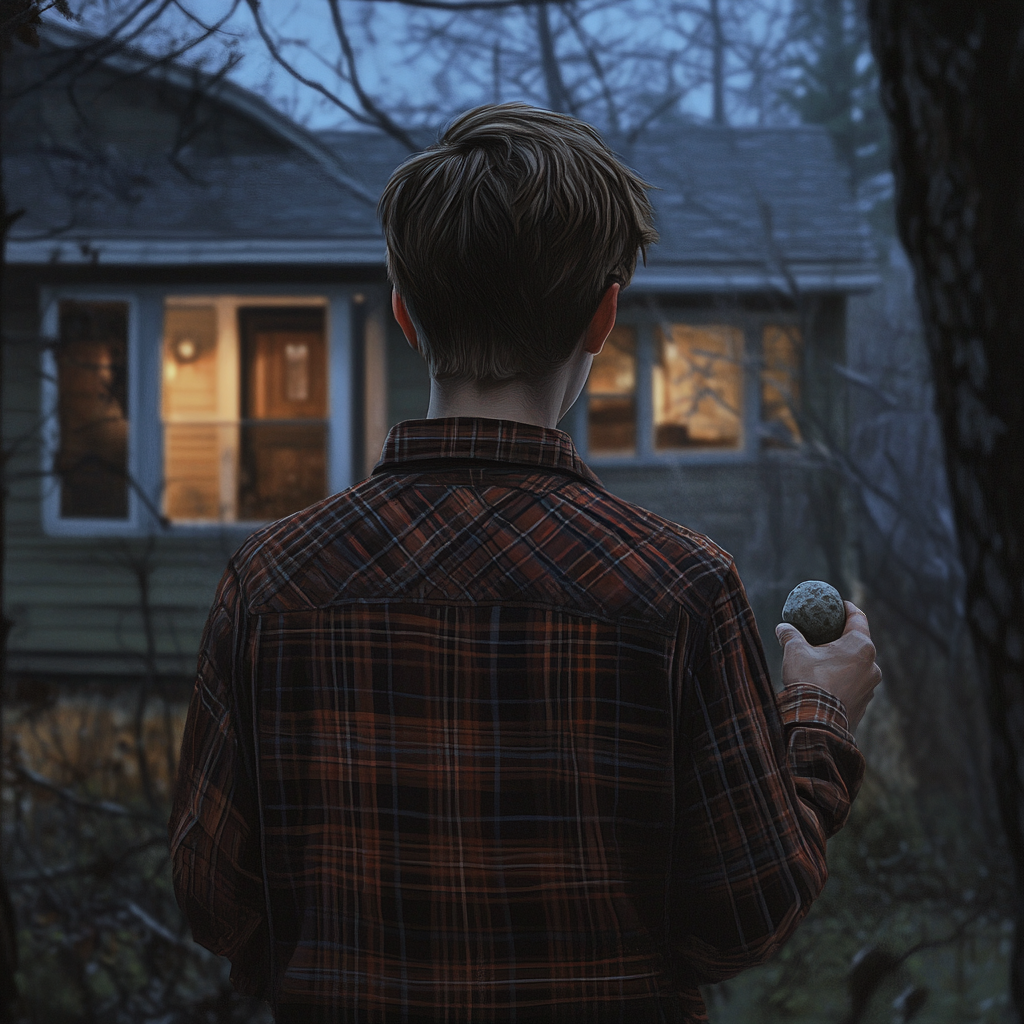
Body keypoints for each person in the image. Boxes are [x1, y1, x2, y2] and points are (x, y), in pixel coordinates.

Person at [169, 102, 881, 1023]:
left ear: (403, 309)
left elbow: (213, 898)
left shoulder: (269, 584)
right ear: (603, 316)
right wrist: (819, 715)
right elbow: (741, 916)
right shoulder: (679, 588)